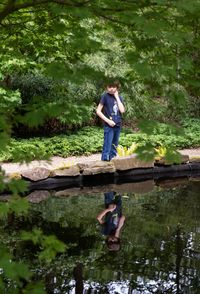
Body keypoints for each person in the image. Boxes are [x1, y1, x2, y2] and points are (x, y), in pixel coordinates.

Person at [96, 81, 125, 161]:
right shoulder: (105, 96)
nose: (112, 89)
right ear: (106, 87)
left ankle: (113, 163)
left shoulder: (119, 97)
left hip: (118, 125)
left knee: (114, 146)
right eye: (110, 87)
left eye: (114, 87)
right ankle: (104, 165)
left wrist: (117, 97)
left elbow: (122, 110)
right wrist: (108, 121)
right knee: (107, 146)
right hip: (109, 126)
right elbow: (98, 111)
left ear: (117, 88)